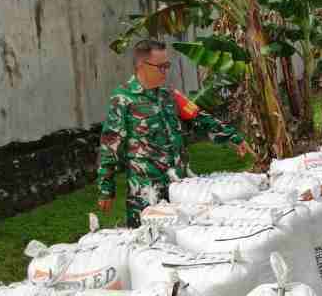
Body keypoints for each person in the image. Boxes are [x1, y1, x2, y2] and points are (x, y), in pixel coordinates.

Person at [96, 40, 251, 227]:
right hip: (146, 192)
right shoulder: (123, 99)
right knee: (150, 242)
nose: (166, 71)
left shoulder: (170, 95)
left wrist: (233, 137)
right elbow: (110, 146)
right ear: (142, 66)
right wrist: (106, 189)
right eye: (161, 67)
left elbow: (199, 118)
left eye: (167, 66)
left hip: (180, 187)